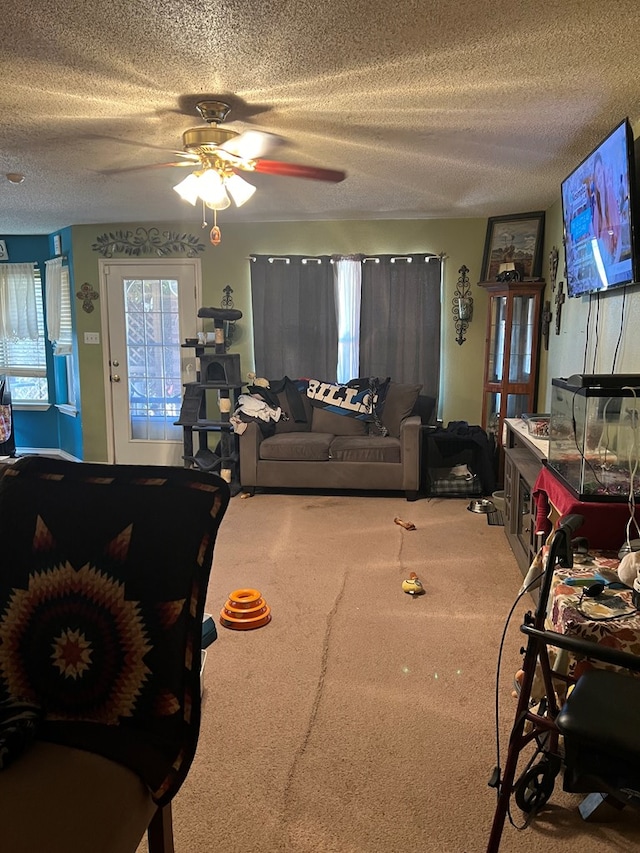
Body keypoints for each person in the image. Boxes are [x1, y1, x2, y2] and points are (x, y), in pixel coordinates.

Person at [589, 152, 622, 266]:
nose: (598, 178)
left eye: (599, 172)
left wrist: (615, 266)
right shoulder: (596, 208)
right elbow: (595, 241)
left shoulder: (611, 197)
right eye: (596, 175)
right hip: (604, 265)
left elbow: (620, 236)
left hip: (614, 263)